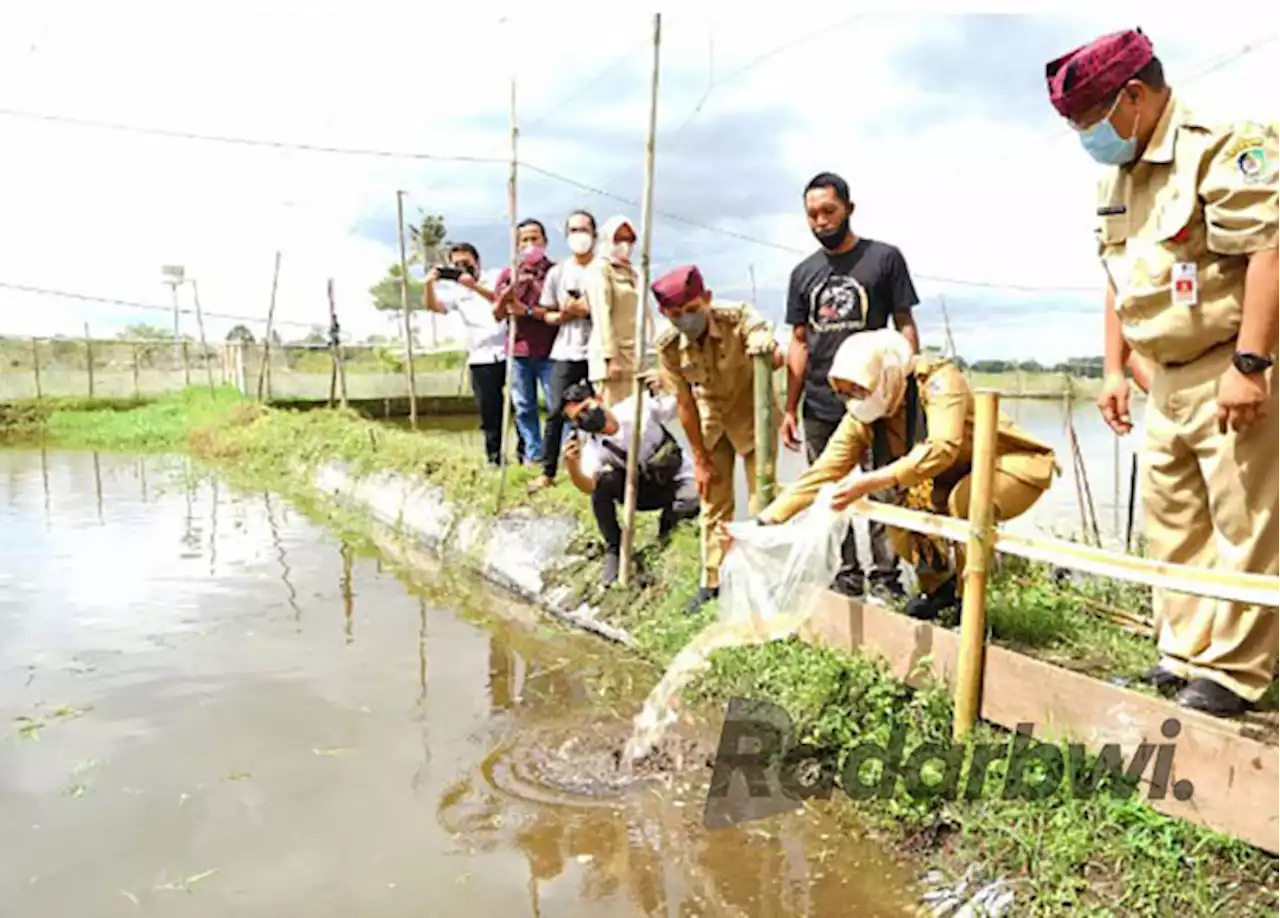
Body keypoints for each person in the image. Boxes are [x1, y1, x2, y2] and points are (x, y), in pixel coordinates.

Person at [1045, 28, 1280, 717]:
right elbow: (1119, 280)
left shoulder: (1223, 144)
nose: (1089, 136)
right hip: (1165, 376)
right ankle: (1183, 655)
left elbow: (1268, 253)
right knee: (1172, 520)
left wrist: (1251, 362)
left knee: (1246, 519)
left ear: (1135, 95)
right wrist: (1115, 370)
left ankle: (1236, 673)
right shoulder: (1118, 176)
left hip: (1230, 362)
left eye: (1091, 121)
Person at [752, 329, 1059, 620]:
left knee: (965, 503)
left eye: (859, 389)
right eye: (845, 394)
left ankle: (970, 607)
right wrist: (764, 522)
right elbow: (825, 470)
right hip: (948, 477)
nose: (854, 400)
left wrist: (871, 480)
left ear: (885, 376)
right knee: (900, 512)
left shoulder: (937, 382)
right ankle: (939, 590)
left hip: (1009, 464)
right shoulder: (866, 414)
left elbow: (942, 448)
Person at [781, 171, 922, 602]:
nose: (821, 221)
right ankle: (845, 574)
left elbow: (905, 326)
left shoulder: (884, 259)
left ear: (848, 209)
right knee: (829, 492)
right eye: (813, 215)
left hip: (874, 403)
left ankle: (885, 575)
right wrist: (790, 407)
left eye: (829, 211)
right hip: (821, 405)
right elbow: (800, 342)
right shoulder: (802, 274)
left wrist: (904, 383)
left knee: (882, 487)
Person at [653, 264, 784, 612]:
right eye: (676, 314)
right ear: (664, 313)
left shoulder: (736, 316)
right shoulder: (667, 347)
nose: (686, 319)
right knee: (713, 502)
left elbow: (765, 338)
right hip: (712, 420)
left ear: (707, 299)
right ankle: (712, 581)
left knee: (764, 502)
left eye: (693, 310)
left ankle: (767, 581)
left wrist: (764, 344)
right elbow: (684, 404)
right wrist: (698, 459)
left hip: (754, 415)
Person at [561, 379, 700, 586]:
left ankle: (667, 534)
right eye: (578, 419)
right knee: (603, 485)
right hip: (638, 491)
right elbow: (589, 486)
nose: (586, 418)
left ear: (598, 399)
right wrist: (572, 466)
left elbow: (682, 402)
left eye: (586, 408)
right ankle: (614, 549)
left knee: (690, 500)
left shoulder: (637, 408)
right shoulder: (593, 446)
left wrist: (667, 382)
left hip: (675, 479)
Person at [421, 242, 513, 466]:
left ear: (477, 262)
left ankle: (526, 454)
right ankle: (494, 458)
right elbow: (435, 307)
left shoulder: (494, 278)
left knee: (519, 406)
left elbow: (502, 300)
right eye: (457, 265)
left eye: (466, 263)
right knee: (489, 411)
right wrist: (429, 285)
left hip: (509, 353)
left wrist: (474, 287)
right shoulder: (456, 292)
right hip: (480, 358)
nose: (462, 268)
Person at [530, 209, 598, 493]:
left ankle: (595, 472)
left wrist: (588, 308)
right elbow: (545, 313)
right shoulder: (558, 273)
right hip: (565, 351)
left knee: (598, 412)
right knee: (557, 411)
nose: (579, 235)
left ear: (594, 234)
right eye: (574, 230)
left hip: (598, 352)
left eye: (584, 229)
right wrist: (562, 316)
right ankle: (548, 472)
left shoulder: (604, 269)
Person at [495, 219, 559, 466]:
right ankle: (534, 454)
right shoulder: (508, 273)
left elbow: (559, 310)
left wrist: (528, 308)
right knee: (524, 406)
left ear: (545, 241)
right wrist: (506, 296)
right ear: (517, 244)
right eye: (526, 240)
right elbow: (498, 314)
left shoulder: (555, 272)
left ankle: (557, 455)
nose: (531, 244)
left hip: (551, 350)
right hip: (519, 351)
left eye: (536, 239)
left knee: (556, 406)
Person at [585, 215, 654, 407]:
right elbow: (601, 316)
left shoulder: (633, 273)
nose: (625, 245)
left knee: (638, 417)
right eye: (619, 239)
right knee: (614, 418)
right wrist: (610, 358)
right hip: (613, 359)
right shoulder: (600, 270)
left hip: (635, 356)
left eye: (630, 240)